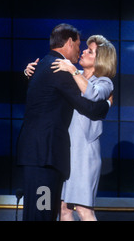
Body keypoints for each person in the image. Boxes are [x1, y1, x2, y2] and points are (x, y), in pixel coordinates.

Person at [17, 24, 112, 221]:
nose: (81, 50)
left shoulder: (51, 65)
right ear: (69, 43)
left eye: (89, 50)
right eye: (79, 46)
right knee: (43, 212)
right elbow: (90, 108)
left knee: (51, 211)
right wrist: (107, 105)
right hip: (45, 154)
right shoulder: (60, 69)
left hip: (59, 153)